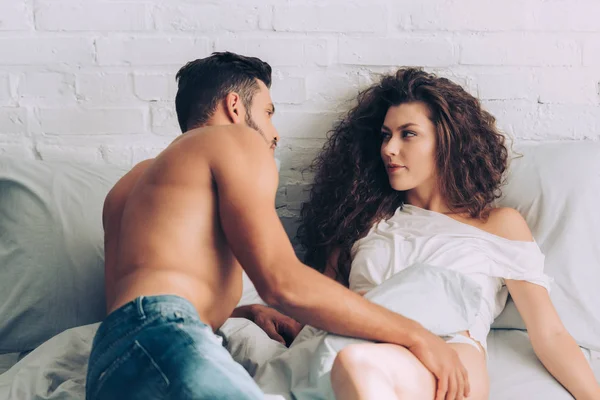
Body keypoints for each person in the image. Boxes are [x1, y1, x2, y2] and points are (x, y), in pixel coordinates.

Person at [85, 53, 471, 400]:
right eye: (268, 112)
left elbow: (134, 305)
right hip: (168, 342)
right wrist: (417, 335)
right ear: (234, 106)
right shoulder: (234, 141)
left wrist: (244, 313)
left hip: (108, 364)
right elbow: (282, 282)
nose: (274, 132)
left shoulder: (130, 185)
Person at [298, 67, 600, 400]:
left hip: (449, 365)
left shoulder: (498, 225)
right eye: (385, 135)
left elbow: (550, 335)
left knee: (357, 365)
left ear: (447, 141)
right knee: (353, 362)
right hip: (359, 347)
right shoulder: (363, 221)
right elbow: (322, 305)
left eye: (407, 134)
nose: (389, 149)